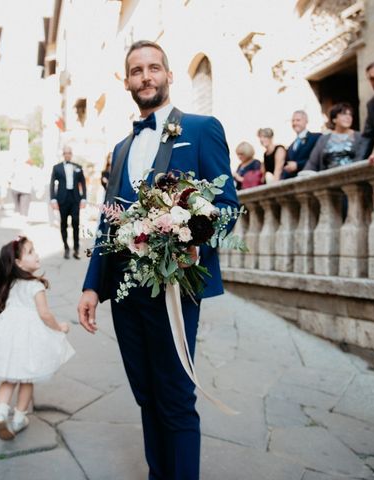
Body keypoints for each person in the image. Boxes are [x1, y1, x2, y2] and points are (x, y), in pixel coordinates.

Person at [77, 40, 238, 480]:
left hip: (174, 286)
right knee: (146, 394)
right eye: (136, 71)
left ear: (169, 75)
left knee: (174, 396)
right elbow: (108, 224)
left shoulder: (203, 129)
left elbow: (227, 207)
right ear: (127, 81)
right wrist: (93, 285)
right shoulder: (122, 148)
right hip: (126, 294)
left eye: (153, 68)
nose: (145, 76)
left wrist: (195, 242)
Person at [0, 235, 74, 440]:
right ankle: (18, 418)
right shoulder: (36, 285)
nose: (37, 255)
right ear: (18, 262)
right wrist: (59, 327)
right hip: (27, 336)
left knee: (8, 378)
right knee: (27, 378)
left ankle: (0, 414)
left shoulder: (10, 283)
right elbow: (44, 314)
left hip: (7, 333)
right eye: (30, 252)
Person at [303, 102, 366, 172]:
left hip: (354, 177)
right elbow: (312, 162)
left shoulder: (359, 137)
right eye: (343, 114)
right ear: (334, 119)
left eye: (350, 115)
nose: (348, 117)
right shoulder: (323, 139)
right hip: (329, 179)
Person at [50, 145, 87, 259]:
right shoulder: (57, 168)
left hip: (75, 198)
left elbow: (83, 183)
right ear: (63, 154)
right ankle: (66, 247)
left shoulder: (78, 167)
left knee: (76, 223)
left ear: (71, 154)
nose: (67, 155)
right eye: (65, 153)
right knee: (63, 224)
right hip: (63, 199)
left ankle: (76, 249)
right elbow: (52, 184)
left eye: (69, 153)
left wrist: (84, 198)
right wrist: (53, 199)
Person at [282, 110, 322, 179]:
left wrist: (298, 165)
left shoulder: (316, 137)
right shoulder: (291, 146)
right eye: (293, 121)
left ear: (306, 121)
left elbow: (319, 159)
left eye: (298, 120)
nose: (294, 123)